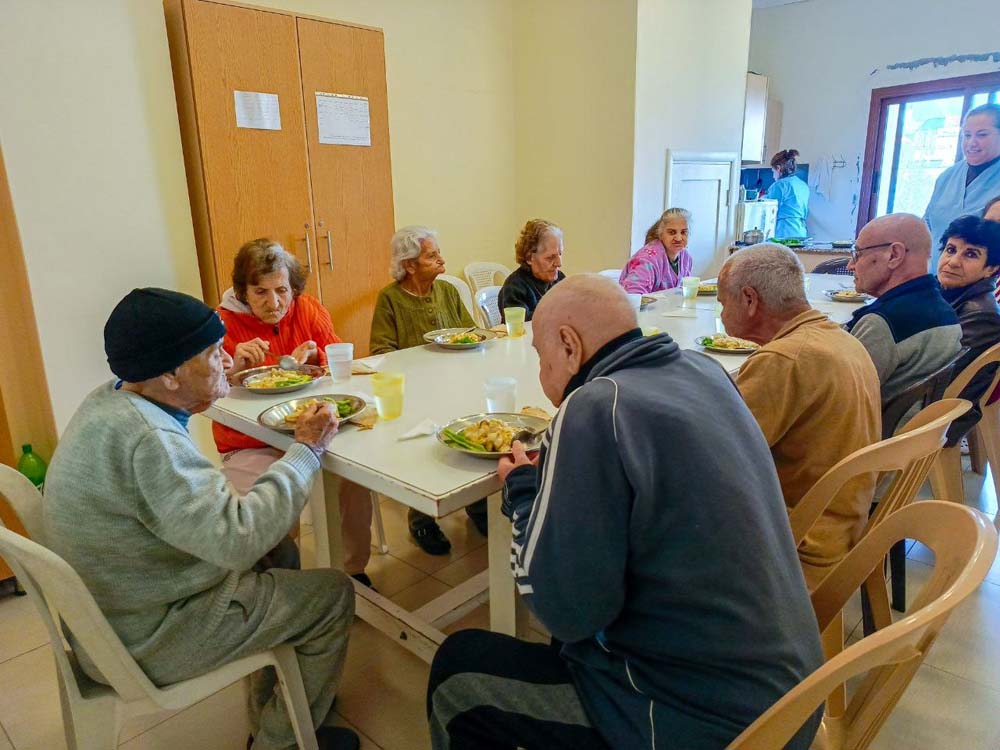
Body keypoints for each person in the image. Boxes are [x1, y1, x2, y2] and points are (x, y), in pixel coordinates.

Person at [426, 275, 823, 750]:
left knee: (458, 670)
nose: (542, 371)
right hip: (793, 696)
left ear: (569, 345)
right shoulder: (705, 369)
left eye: (541, 355)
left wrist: (523, 490)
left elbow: (562, 613)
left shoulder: (594, 404)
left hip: (714, 726)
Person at [43, 289, 359, 750]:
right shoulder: (150, 439)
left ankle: (279, 708)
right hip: (150, 637)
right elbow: (240, 538)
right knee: (332, 594)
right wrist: (306, 450)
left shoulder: (112, 400)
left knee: (282, 551)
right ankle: (281, 743)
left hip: (120, 611)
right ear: (170, 375)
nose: (227, 361)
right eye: (213, 353)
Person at [718, 244, 881, 586]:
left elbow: (720, 457)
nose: (722, 313)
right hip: (841, 523)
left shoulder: (784, 360)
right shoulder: (840, 339)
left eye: (723, 302)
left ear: (749, 300)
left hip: (800, 540)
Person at [215, 238, 374, 585]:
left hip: (315, 430)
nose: (274, 303)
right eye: (260, 292)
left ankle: (353, 572)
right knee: (269, 506)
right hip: (250, 441)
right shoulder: (221, 323)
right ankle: (282, 584)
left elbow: (340, 364)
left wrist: (318, 359)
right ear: (243, 292)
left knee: (354, 480)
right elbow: (207, 394)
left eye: (282, 291)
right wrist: (233, 369)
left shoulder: (308, 309)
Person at [369, 226, 484, 555]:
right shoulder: (390, 299)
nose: (441, 260)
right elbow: (380, 352)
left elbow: (472, 332)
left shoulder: (447, 291)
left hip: (457, 381)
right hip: (415, 391)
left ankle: (476, 503)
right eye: (432, 256)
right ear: (409, 265)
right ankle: (420, 517)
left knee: (472, 433)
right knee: (421, 452)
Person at [845, 213, 962, 402]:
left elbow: (839, 398)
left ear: (894, 255)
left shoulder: (883, 323)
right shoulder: (942, 308)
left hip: (876, 421)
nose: (851, 265)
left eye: (857, 254)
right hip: (918, 420)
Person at [935, 215, 1000, 441]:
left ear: (991, 268)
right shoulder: (946, 292)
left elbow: (939, 376)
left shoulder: (981, 315)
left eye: (970, 254)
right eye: (950, 250)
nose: (953, 261)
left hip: (937, 419)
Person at [925, 104, 1000, 267]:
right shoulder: (947, 177)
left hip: (984, 280)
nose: (971, 143)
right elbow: (928, 225)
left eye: (982, 135)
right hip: (937, 274)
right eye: (967, 135)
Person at [497, 219, 565, 321]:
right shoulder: (515, 287)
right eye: (550, 257)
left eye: (560, 254)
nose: (559, 263)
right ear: (529, 258)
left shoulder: (560, 279)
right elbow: (521, 323)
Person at [618, 207, 693, 293]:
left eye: (683, 232)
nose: (679, 238)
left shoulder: (686, 258)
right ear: (661, 234)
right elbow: (633, 294)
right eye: (672, 232)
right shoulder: (647, 260)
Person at [767, 148, 810, 239]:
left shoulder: (779, 185)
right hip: (801, 231)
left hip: (784, 231)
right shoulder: (803, 185)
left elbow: (769, 211)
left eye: (773, 171)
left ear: (778, 168)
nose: (773, 176)